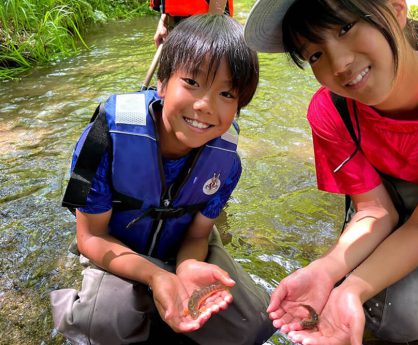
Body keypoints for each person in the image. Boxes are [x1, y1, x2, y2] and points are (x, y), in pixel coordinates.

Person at [244, 0, 418, 344]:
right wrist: (332, 277)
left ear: (396, 7)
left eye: (346, 27)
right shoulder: (332, 111)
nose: (339, 64)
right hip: (388, 203)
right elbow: (375, 210)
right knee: (402, 325)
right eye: (314, 54)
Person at [50, 14, 274, 345]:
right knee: (105, 322)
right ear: (162, 83)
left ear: (240, 105)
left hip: (185, 246)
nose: (204, 106)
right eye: (192, 83)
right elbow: (91, 237)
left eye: (226, 94)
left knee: (253, 322)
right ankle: (74, 303)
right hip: (117, 245)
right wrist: (155, 277)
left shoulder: (227, 163)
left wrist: (185, 270)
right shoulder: (104, 139)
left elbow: (198, 236)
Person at [152, 0, 232, 47]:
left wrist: (212, 30)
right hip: (173, 26)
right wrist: (163, 21)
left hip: (208, 27)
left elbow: (218, 6)